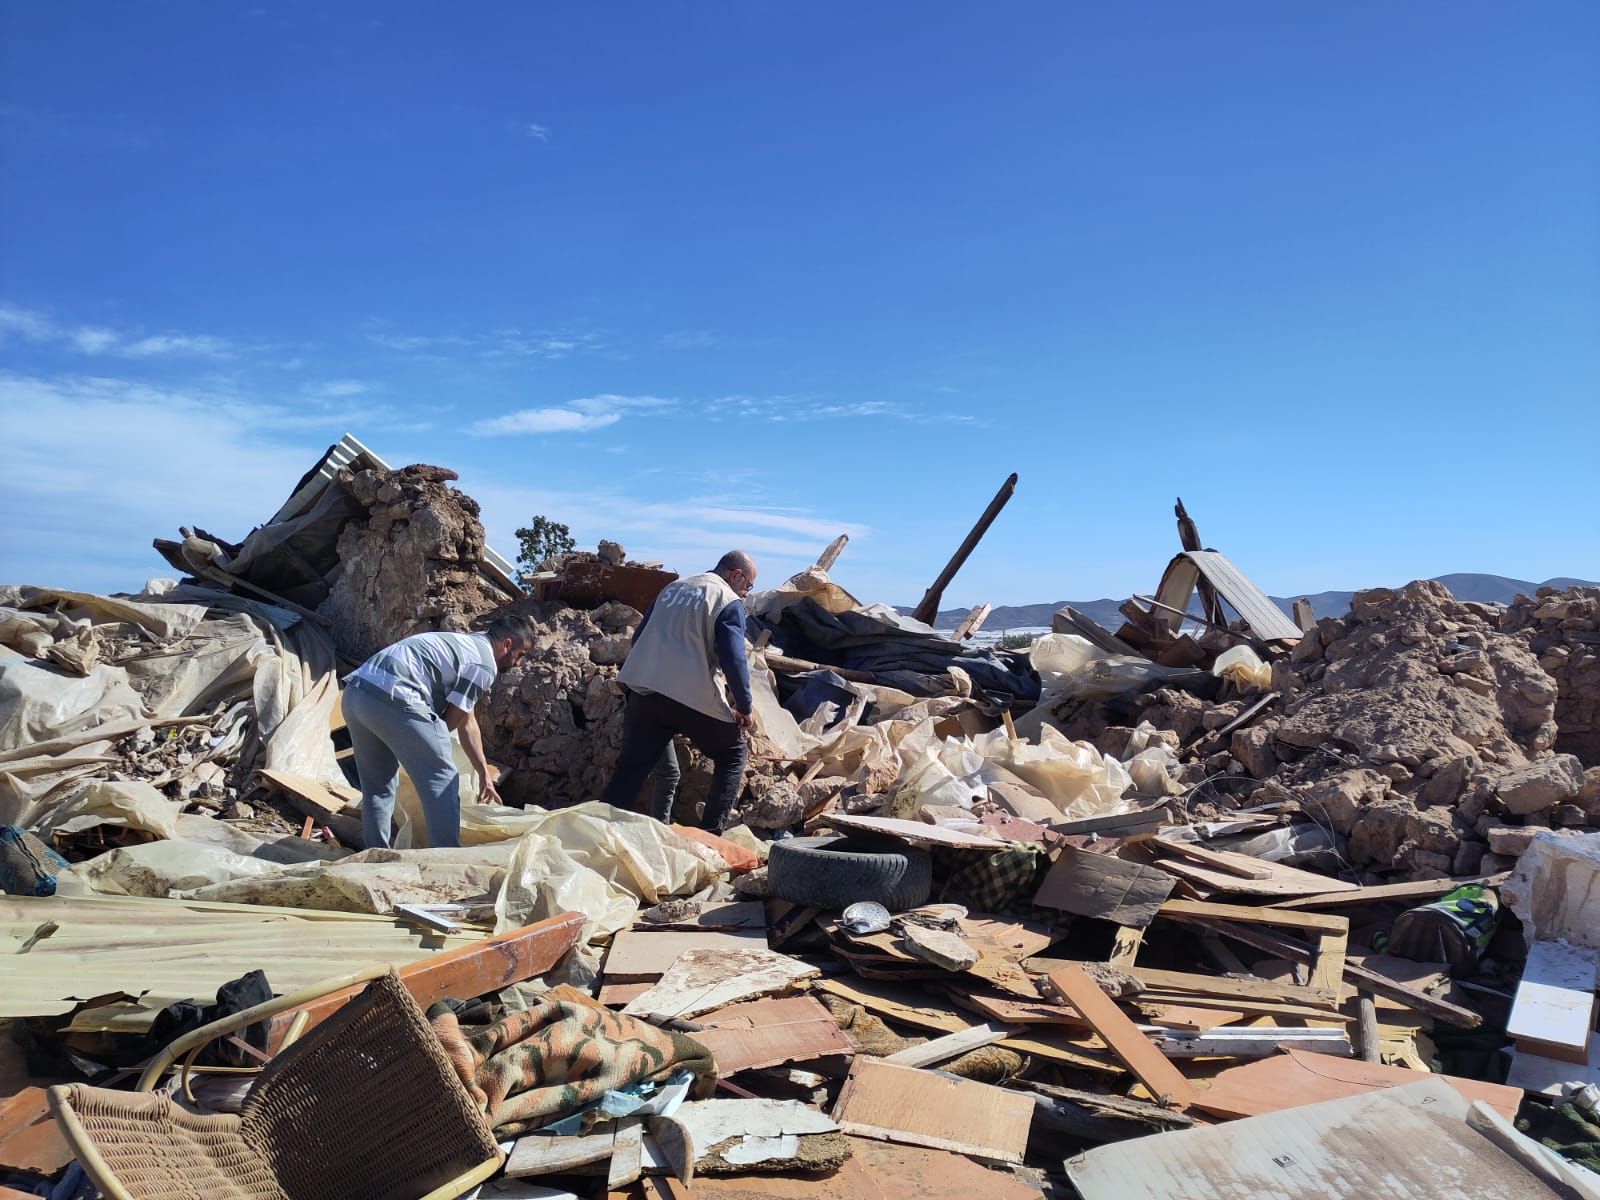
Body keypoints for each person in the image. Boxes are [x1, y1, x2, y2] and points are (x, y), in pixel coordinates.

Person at [344, 616, 534, 849]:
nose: (517, 664)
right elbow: (448, 725)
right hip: (396, 697)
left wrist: (483, 773)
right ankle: (446, 857)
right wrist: (427, 754)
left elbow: (468, 720)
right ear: (507, 644)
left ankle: (373, 855)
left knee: (378, 786)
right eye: (520, 655)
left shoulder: (463, 646)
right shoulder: (484, 665)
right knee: (443, 781)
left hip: (356, 694)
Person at [601, 550, 757, 832]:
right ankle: (711, 837)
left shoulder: (673, 588)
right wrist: (745, 707)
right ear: (736, 575)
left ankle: (596, 833)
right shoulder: (728, 601)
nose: (747, 593)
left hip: (645, 690)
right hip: (691, 695)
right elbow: (733, 659)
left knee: (630, 769)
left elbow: (639, 637)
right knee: (732, 755)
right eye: (748, 585)